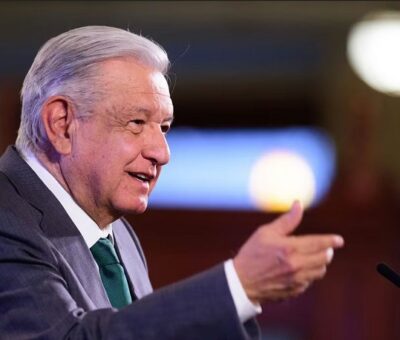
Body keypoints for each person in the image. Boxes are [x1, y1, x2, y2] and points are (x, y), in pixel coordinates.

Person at [0, 26, 344, 339]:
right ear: (62, 124)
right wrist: (237, 286)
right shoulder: (6, 217)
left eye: (163, 127)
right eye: (136, 122)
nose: (162, 153)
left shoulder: (115, 233)